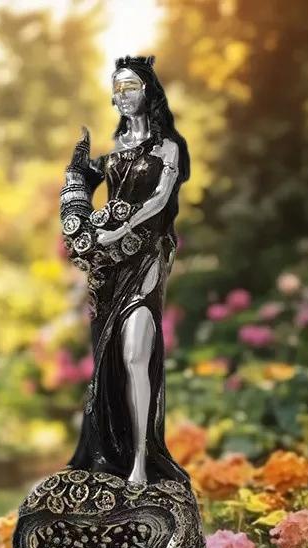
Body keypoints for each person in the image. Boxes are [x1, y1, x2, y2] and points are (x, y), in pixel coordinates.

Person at [60, 54, 191, 486]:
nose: (123, 94)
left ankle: (141, 459)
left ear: (148, 91)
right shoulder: (115, 151)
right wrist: (76, 176)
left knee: (137, 352)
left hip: (147, 254)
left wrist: (122, 229)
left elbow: (160, 199)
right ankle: (113, 454)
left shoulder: (168, 147)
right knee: (112, 358)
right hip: (110, 266)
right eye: (117, 88)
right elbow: (78, 194)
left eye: (131, 85)